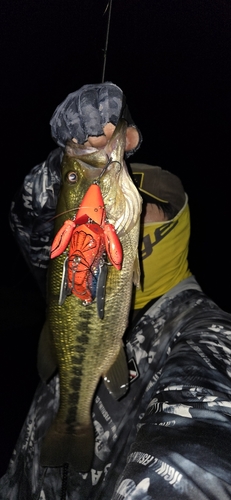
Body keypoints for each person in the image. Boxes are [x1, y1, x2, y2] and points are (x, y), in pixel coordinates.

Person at [1, 82, 231, 500]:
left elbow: (206, 444)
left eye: (146, 204)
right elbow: (23, 219)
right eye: (84, 191)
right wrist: (68, 160)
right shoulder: (73, 268)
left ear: (173, 225)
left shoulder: (207, 333)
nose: (98, 200)